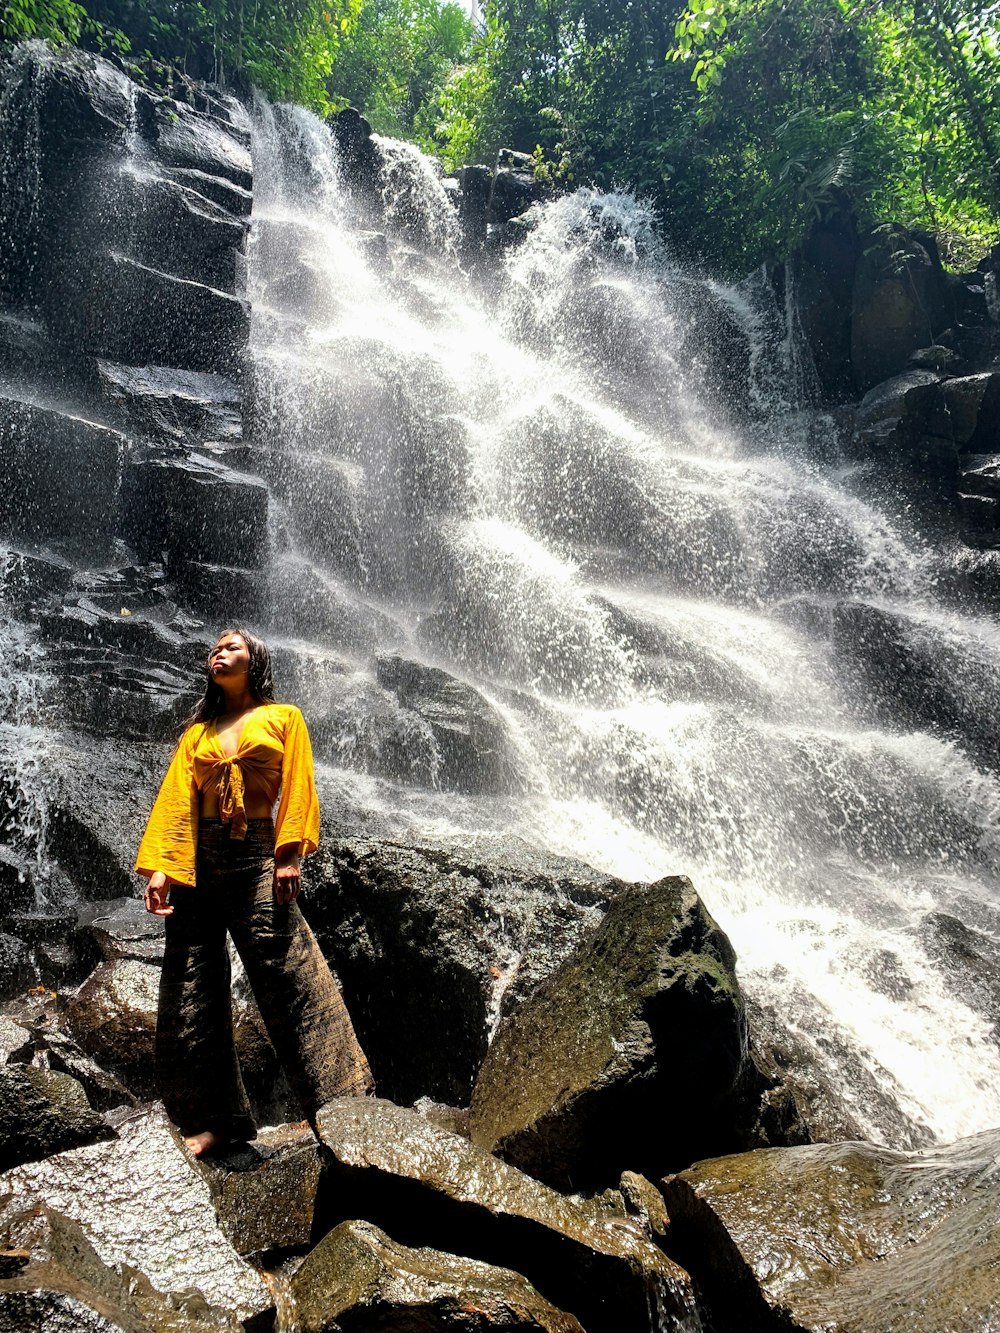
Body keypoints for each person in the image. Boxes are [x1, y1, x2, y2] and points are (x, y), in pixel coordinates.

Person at [136, 627, 373, 1156]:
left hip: (257, 855)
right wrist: (162, 870)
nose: (218, 652)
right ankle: (215, 1121)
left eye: (231, 646)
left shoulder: (283, 718)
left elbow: (301, 783)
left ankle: (346, 1106)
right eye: (215, 648)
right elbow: (177, 799)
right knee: (190, 983)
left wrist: (287, 856)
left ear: (255, 660)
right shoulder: (197, 732)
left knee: (288, 975)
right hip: (198, 861)